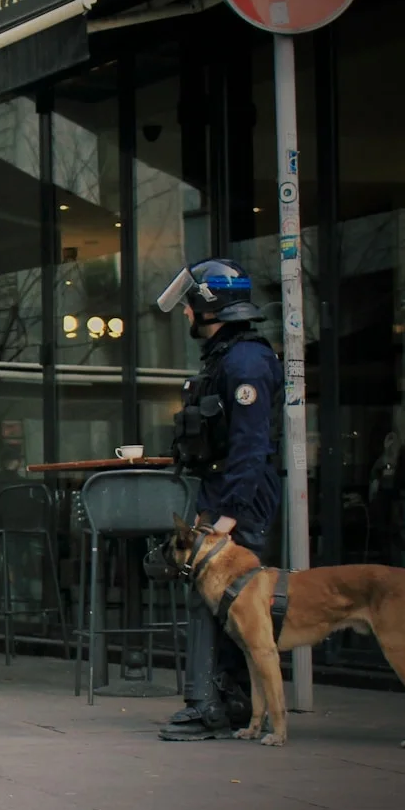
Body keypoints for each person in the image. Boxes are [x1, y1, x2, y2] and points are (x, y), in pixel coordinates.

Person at [151, 258, 284, 741]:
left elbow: (251, 446)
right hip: (222, 488)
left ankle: (211, 704)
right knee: (218, 603)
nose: (186, 314)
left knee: (223, 601)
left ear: (210, 306)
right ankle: (227, 702)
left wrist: (229, 516)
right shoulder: (228, 357)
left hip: (237, 494)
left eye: (190, 305)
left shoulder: (245, 361)